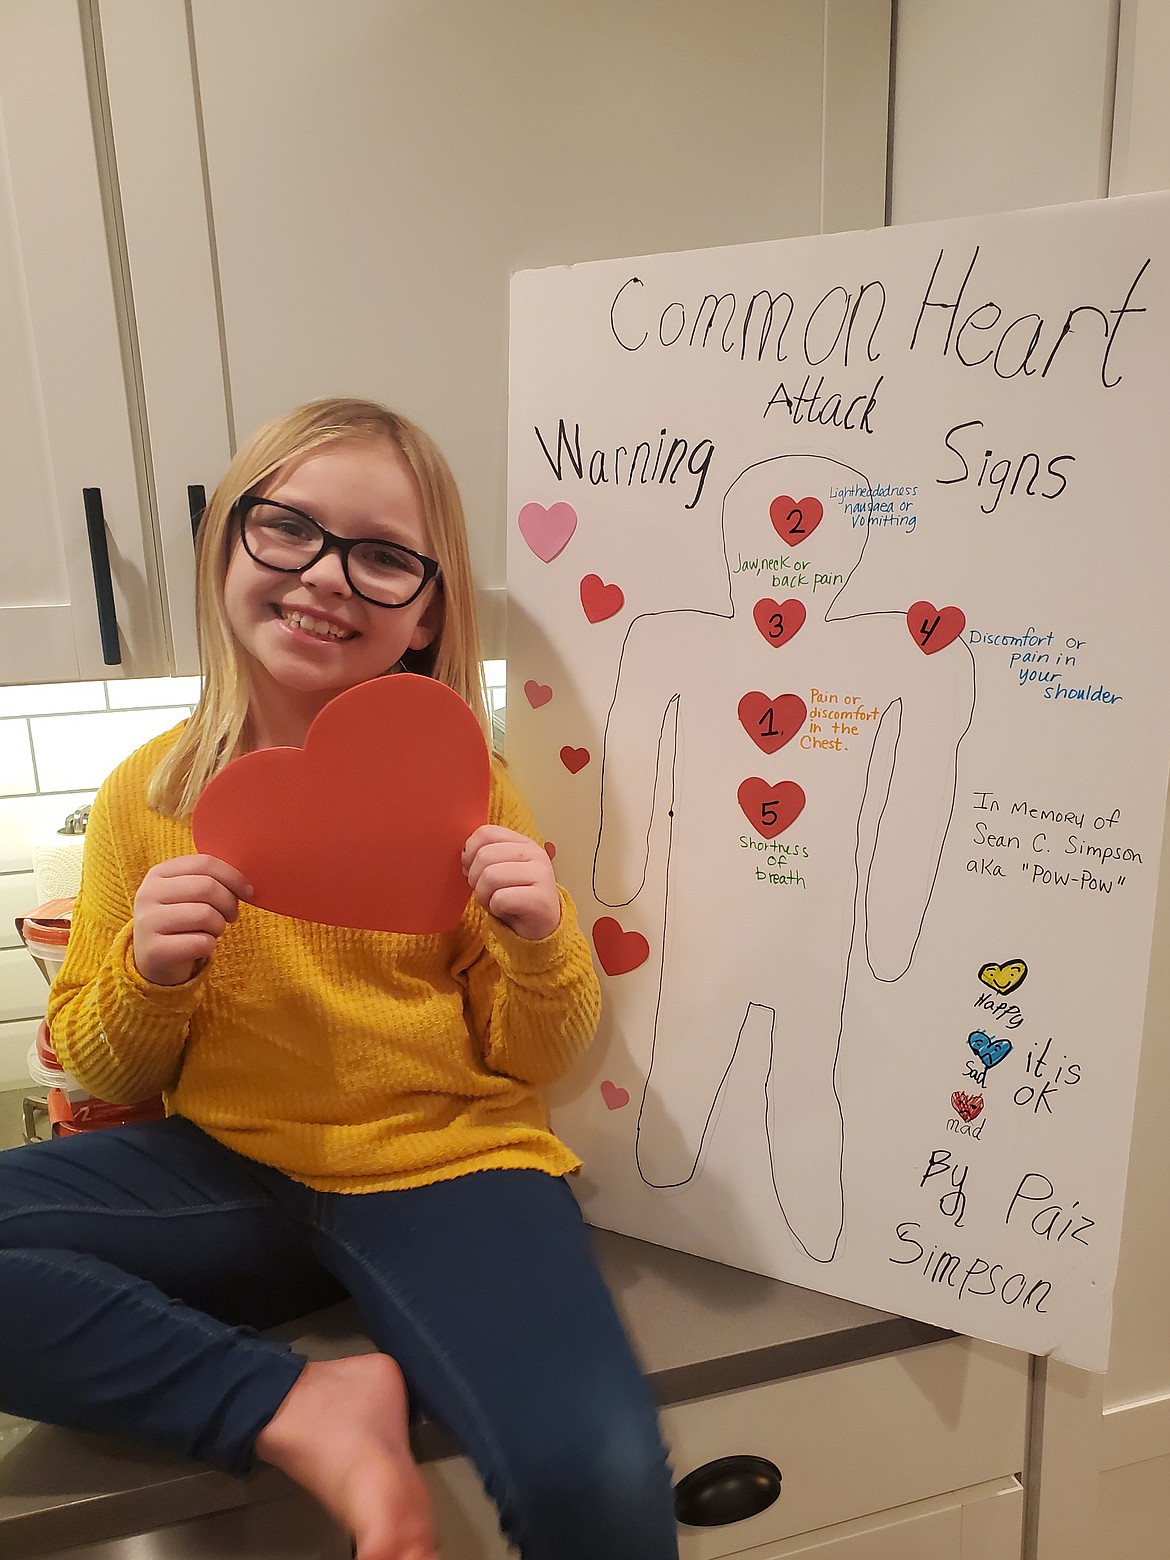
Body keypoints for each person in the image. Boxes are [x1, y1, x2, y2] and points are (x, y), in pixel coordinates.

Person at [0, 399, 679, 1560]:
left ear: (428, 611)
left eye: (382, 556)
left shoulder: (467, 787)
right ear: (226, 543)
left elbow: (537, 1054)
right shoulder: (146, 797)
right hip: (230, 1168)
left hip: (449, 1169)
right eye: (289, 528)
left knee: (599, 1480)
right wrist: (148, 972)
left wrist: (537, 936)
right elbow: (107, 1072)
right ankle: (300, 1404)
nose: (325, 575)